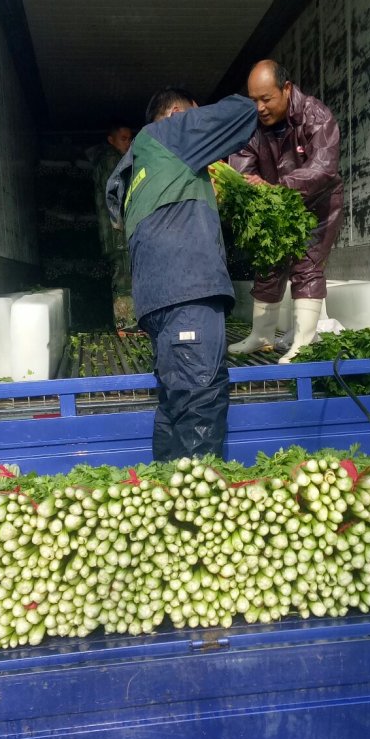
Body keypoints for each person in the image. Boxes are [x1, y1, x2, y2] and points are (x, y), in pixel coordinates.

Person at [106, 87, 258, 461]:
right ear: (177, 113)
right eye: (194, 114)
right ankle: (195, 506)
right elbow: (242, 113)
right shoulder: (168, 133)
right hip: (187, 294)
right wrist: (262, 93)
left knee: (176, 403)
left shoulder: (131, 170)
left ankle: (168, 495)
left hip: (158, 304)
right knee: (200, 402)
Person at [228, 60, 344, 363]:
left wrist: (276, 187)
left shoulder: (315, 115)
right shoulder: (251, 126)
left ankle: (303, 342)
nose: (260, 107)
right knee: (267, 264)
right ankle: (262, 335)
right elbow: (241, 164)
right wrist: (246, 185)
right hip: (272, 204)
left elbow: (323, 168)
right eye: (254, 100)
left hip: (318, 205)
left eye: (266, 99)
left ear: (287, 89)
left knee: (306, 265)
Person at [92, 124, 134, 324]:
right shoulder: (111, 159)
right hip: (117, 230)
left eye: (129, 139)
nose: (128, 143)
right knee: (124, 275)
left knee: (123, 272)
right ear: (111, 140)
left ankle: (126, 321)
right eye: (123, 138)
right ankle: (126, 322)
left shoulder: (107, 159)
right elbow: (119, 193)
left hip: (113, 229)